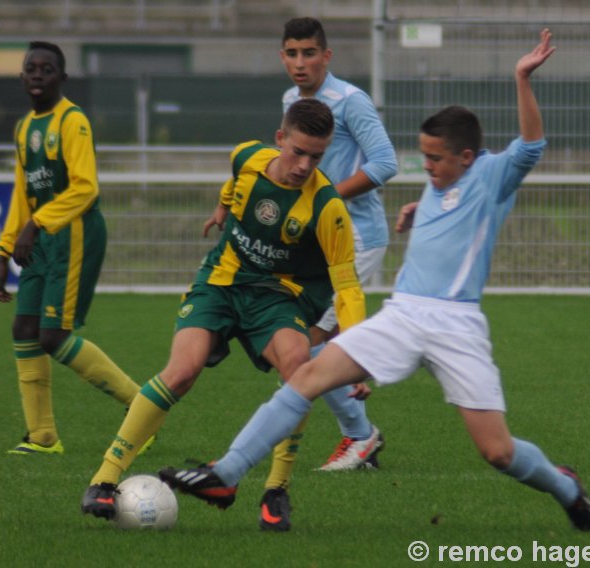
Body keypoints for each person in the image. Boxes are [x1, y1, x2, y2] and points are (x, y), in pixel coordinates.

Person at [158, 29, 590, 532]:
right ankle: (227, 474)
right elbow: (442, 213)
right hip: (404, 313)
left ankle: (565, 486)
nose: (427, 167)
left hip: (456, 326)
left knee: (497, 452)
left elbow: (531, 145)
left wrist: (521, 79)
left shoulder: (491, 177)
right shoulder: (438, 187)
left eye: (436, 159)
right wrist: (420, 211)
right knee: (305, 374)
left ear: (467, 158)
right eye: (424, 157)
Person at [81, 98, 374, 530]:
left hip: (277, 297)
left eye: (317, 156)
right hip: (221, 281)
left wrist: (357, 357)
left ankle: (276, 491)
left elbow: (347, 286)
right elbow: (233, 182)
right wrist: (221, 209)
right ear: (280, 140)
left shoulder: (327, 207)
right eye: (297, 152)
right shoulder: (247, 156)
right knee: (181, 371)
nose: (304, 165)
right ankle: (104, 479)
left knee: (299, 370)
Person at [252, 16, 398, 529]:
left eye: (309, 53)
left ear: (327, 56)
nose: (299, 63)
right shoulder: (293, 105)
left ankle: (361, 436)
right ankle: (361, 435)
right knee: (298, 345)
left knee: (311, 345)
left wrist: (328, 200)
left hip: (355, 238)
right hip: (313, 242)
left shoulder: (351, 101)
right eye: (291, 52)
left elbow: (385, 163)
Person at [0, 41, 152, 456]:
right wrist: (4, 251)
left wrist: (36, 224)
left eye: (47, 69)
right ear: (22, 76)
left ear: (62, 78)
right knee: (25, 330)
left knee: (53, 336)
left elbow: (85, 187)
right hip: (40, 236)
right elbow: (21, 193)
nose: (38, 74)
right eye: (31, 68)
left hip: (74, 232)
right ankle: (43, 437)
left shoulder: (72, 121)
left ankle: (143, 408)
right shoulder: (25, 128)